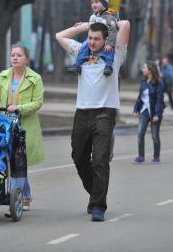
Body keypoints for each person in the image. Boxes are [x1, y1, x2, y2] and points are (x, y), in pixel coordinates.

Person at [55, 19, 130, 222]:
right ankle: (95, 192)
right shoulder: (81, 50)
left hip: (105, 113)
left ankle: (98, 205)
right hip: (82, 112)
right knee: (78, 157)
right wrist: (84, 27)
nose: (93, 42)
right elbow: (59, 36)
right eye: (90, 38)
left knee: (99, 160)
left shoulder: (115, 54)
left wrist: (113, 21)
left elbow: (126, 25)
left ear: (105, 39)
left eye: (97, 38)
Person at [0, 42, 45, 213]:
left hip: (25, 128)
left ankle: (16, 197)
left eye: (19, 55)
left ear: (26, 58)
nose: (15, 58)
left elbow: (38, 102)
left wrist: (20, 108)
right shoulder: (3, 76)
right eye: (13, 55)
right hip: (5, 126)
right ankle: (25, 195)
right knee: (11, 162)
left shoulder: (35, 79)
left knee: (19, 162)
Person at [68, 0, 119, 76]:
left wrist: (110, 43)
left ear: (104, 3)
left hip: (106, 39)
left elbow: (113, 29)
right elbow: (91, 25)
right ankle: (78, 63)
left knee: (109, 49)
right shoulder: (94, 16)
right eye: (92, 2)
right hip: (96, 39)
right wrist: (82, 24)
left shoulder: (109, 16)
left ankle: (108, 65)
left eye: (96, 2)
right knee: (85, 44)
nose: (94, 4)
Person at [132, 62, 165, 164]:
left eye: (144, 68)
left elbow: (159, 100)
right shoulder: (143, 81)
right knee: (140, 133)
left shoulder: (159, 83)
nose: (143, 70)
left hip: (154, 112)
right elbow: (140, 97)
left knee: (155, 135)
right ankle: (141, 157)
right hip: (144, 111)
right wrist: (136, 109)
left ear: (150, 70)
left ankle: (156, 156)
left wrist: (157, 114)